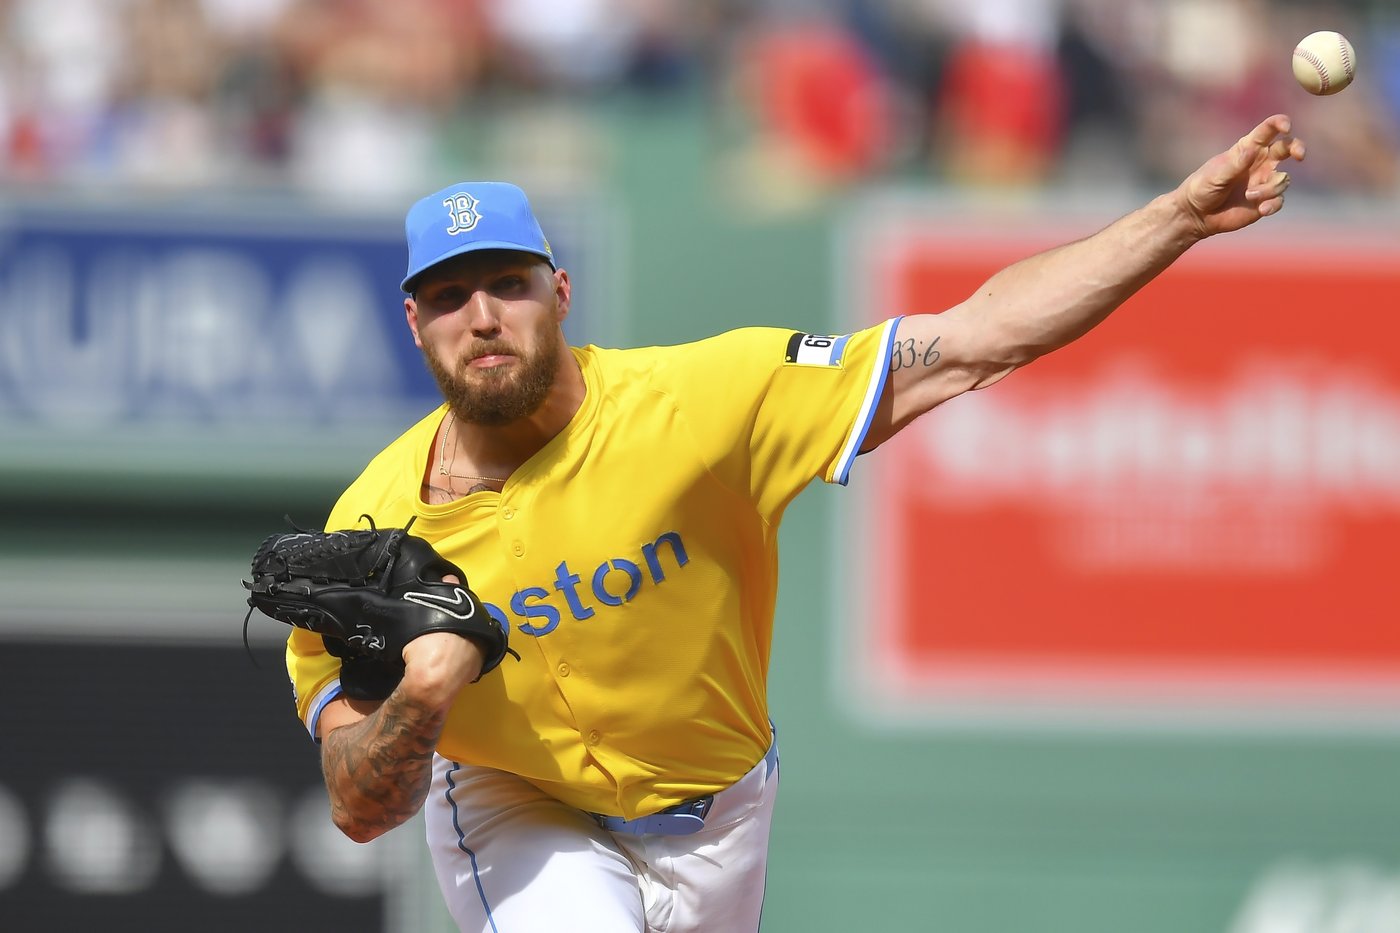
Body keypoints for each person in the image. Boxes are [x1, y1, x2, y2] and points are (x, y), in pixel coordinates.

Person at [283, 114, 1306, 931]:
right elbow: (359, 807)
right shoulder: (371, 529)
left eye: (507, 284)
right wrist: (421, 695)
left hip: (718, 810)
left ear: (559, 292)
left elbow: (975, 339)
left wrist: (1177, 215)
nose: (481, 316)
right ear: (414, 322)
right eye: (448, 295)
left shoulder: (700, 403)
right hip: (517, 802)